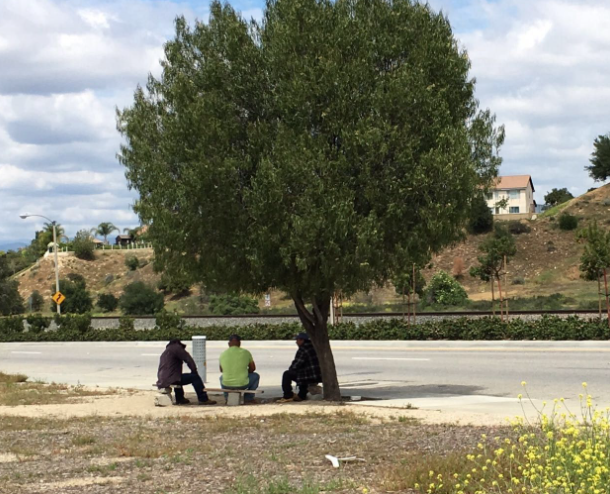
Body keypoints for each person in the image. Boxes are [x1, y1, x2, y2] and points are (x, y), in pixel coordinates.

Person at [156, 338, 216, 405]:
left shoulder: (167, 351)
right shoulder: (177, 348)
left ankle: (180, 398)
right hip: (170, 378)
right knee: (195, 377)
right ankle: (203, 399)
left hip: (162, 379)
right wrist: (194, 371)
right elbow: (188, 359)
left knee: (178, 377)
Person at [278, 332, 322, 403]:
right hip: (318, 375)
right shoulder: (314, 347)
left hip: (310, 376)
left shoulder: (303, 349)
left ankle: (288, 395)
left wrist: (291, 369)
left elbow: (296, 364)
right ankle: (301, 396)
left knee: (287, 374)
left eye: (297, 340)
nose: (296, 342)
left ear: (302, 340)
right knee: (302, 373)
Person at [219, 334, 259, 403]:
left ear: (229, 343)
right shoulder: (246, 352)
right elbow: (253, 368)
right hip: (242, 384)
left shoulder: (223, 354)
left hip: (227, 384)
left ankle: (226, 397)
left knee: (221, 378)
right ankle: (249, 398)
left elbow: (221, 370)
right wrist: (246, 372)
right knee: (256, 376)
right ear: (240, 343)